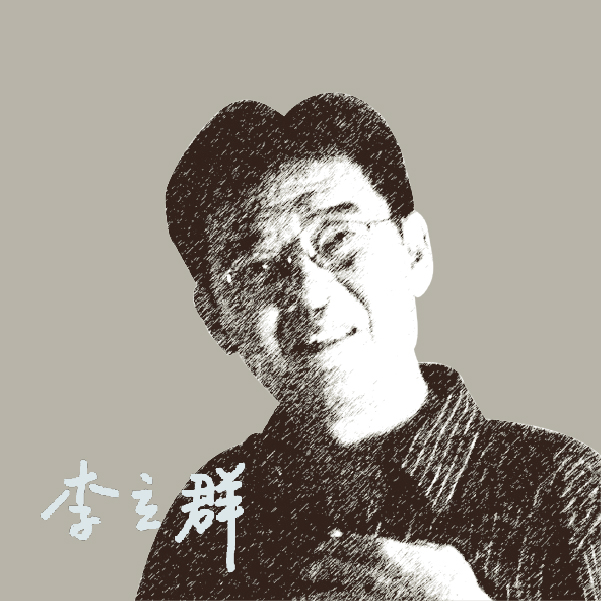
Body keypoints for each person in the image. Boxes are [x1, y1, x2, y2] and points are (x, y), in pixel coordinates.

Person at [136, 94, 600, 600]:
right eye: (257, 267)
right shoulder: (210, 513)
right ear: (216, 318)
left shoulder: (567, 489)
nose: (308, 293)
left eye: (339, 238)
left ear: (415, 252)